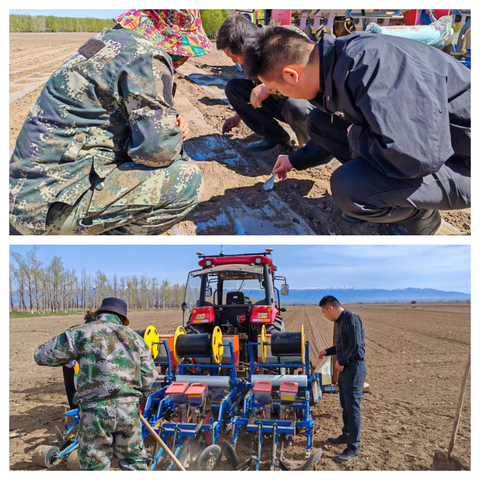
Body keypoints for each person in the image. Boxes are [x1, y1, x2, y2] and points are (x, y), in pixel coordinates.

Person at [242, 27, 471, 235]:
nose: (278, 94)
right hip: (434, 145)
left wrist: (356, 136)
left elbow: (416, 159)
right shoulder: (336, 60)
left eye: (276, 89)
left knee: (348, 187)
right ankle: (381, 194)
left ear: (292, 75)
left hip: (464, 162)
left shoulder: (373, 69)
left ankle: (421, 217)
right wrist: (295, 159)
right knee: (320, 122)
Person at [10, 9, 211, 235]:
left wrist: (165, 121)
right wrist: (171, 134)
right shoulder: (146, 55)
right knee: (186, 181)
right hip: (48, 210)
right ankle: (101, 240)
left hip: (23, 192)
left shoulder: (109, 41)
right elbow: (157, 151)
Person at [34, 297, 158, 470]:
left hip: (94, 414)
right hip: (128, 411)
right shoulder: (136, 339)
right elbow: (149, 377)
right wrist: (133, 397)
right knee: (134, 465)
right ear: (122, 318)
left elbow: (41, 355)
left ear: (100, 313)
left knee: (95, 468)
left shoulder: (81, 333)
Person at [217, 15, 322, 155]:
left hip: (310, 102)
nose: (234, 62)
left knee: (296, 105)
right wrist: (238, 117)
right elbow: (255, 85)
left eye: (234, 57)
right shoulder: (249, 57)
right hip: (281, 102)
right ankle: (276, 136)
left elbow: (310, 78)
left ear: (246, 46)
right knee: (234, 88)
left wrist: (268, 87)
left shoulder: (284, 39)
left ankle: (314, 148)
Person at [317, 295, 366, 464]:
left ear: (331, 308)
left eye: (324, 312)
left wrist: (342, 362)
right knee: (345, 403)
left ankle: (353, 448)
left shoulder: (351, 318)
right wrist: (328, 351)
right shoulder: (341, 321)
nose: (326, 316)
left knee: (353, 407)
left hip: (353, 368)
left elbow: (355, 345)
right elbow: (342, 346)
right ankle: (346, 436)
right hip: (346, 369)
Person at [62, 311, 96, 410]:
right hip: (71, 362)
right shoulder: (78, 332)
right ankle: (76, 409)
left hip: (74, 362)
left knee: (72, 387)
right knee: (72, 386)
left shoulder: (91, 331)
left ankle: (76, 408)